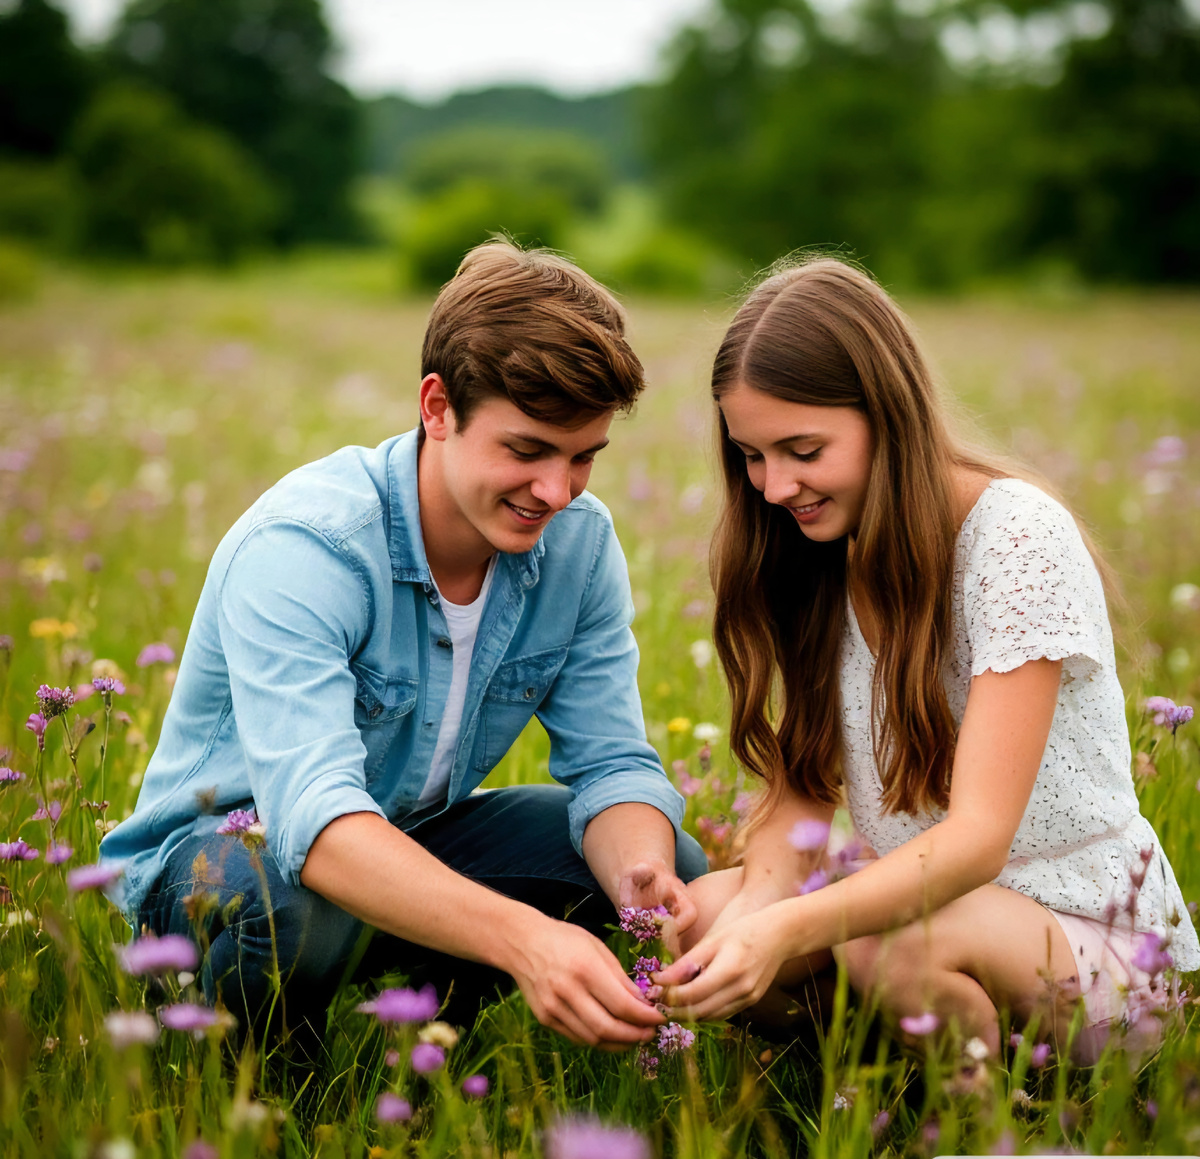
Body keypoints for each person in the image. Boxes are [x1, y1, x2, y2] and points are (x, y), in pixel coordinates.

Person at [101, 241, 707, 1052]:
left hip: (406, 844)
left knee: (678, 868)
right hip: (225, 867)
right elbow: (314, 824)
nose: (556, 492)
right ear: (437, 407)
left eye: (583, 457)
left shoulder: (580, 546)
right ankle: (251, 1075)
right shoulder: (307, 546)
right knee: (293, 903)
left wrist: (640, 868)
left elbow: (613, 764)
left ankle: (420, 1029)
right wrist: (523, 937)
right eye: (526, 450)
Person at [652, 257, 1199, 1060]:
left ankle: (989, 1126)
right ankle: (887, 1081)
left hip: (1093, 936)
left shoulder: (1015, 538)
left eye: (803, 449)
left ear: (887, 413)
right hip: (933, 918)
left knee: (883, 944)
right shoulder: (814, 549)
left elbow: (978, 837)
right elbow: (800, 789)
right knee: (700, 920)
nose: (773, 487)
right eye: (753, 455)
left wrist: (788, 926)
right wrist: (749, 919)